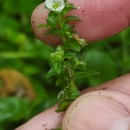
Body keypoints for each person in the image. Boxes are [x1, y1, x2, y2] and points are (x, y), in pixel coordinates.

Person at [16, 0, 130, 130]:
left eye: (57, 5)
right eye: (54, 5)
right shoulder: (56, 20)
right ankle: (68, 97)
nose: (55, 5)